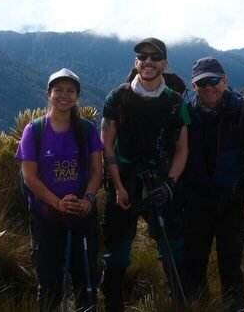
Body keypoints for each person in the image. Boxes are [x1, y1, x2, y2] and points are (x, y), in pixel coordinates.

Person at [100, 37, 190, 312]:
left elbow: (182, 149)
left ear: (164, 63)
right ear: (135, 61)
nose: (148, 62)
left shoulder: (175, 102)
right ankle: (113, 302)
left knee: (172, 248)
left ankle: (178, 301)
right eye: (143, 56)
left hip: (160, 178)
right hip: (125, 179)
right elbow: (106, 143)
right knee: (117, 249)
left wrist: (170, 185)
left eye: (155, 57)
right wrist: (117, 186)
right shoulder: (117, 98)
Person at [181, 57, 244, 311]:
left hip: (234, 203)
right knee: (194, 265)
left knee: (231, 266)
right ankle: (200, 306)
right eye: (202, 83)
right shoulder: (186, 113)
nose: (209, 87)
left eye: (214, 80)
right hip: (196, 203)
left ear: (225, 80)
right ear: (193, 85)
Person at [16, 68, 104, 311]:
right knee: (49, 280)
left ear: (77, 96)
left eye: (70, 91)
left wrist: (88, 198)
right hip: (47, 216)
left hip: (82, 214)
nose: (64, 95)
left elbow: (97, 171)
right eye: (59, 90)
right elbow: (29, 177)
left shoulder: (87, 130)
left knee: (85, 278)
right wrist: (57, 203)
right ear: (48, 93)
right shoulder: (33, 131)